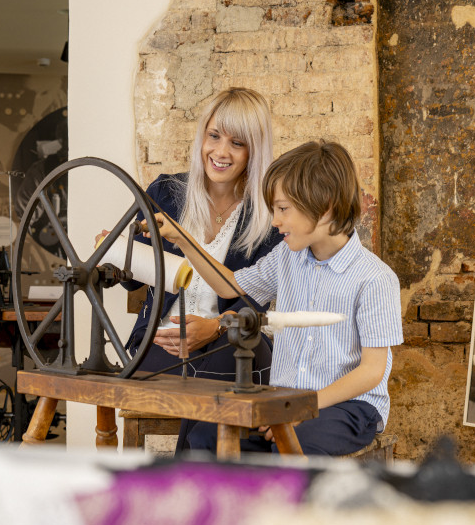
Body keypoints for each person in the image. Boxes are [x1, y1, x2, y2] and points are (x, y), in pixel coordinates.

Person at [147, 140, 403, 456]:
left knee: (292, 445)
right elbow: (230, 286)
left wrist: (299, 408)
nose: (274, 221)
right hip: (283, 399)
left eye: (283, 209)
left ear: (325, 208)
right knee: (204, 437)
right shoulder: (287, 257)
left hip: (349, 407)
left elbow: (371, 372)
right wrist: (183, 240)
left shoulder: (374, 278)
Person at [122, 88, 282, 385]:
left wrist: (215, 327)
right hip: (163, 340)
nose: (221, 152)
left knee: (230, 356)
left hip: (231, 340)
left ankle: (196, 433)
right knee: (209, 391)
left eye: (237, 143)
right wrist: (116, 250)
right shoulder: (165, 193)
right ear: (202, 138)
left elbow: (256, 299)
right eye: (214, 136)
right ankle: (200, 435)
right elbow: (131, 280)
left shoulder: (269, 216)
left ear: (254, 151)